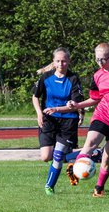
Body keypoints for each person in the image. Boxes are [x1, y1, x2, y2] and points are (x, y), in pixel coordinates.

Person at [53, 43, 109, 197]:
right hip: (102, 113)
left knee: (107, 159)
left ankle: (99, 188)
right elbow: (95, 98)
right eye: (97, 60)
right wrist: (77, 105)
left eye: (103, 60)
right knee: (91, 142)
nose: (100, 63)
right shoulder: (97, 75)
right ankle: (75, 168)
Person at [32, 48, 86, 194]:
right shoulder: (46, 78)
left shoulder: (73, 78)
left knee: (57, 155)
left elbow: (76, 103)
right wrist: (39, 113)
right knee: (45, 156)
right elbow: (35, 96)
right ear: (54, 62)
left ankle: (49, 186)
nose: (61, 64)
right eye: (58, 61)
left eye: (64, 61)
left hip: (68, 121)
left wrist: (61, 108)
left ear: (68, 61)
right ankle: (81, 157)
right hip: (48, 120)